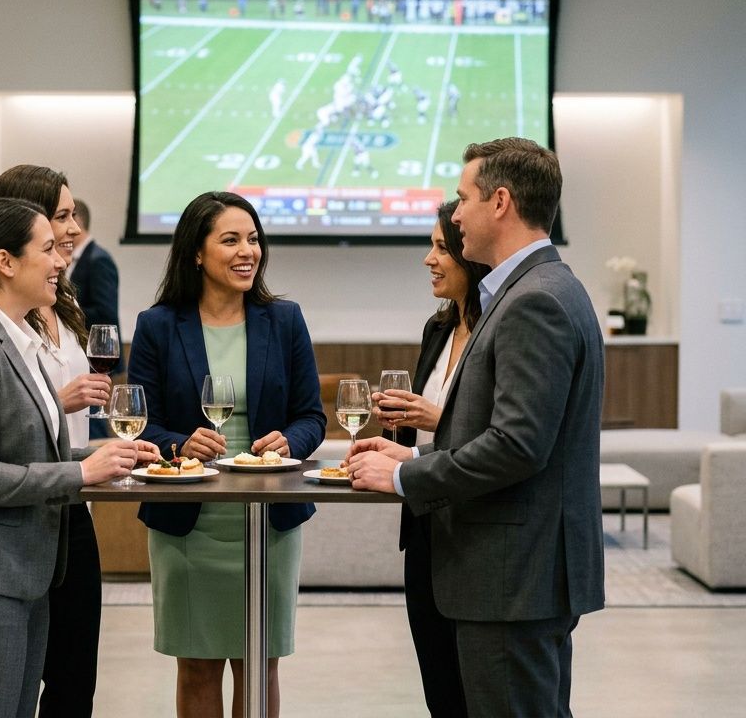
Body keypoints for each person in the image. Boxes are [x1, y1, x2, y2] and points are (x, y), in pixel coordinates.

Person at [346, 138, 605, 717]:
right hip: (514, 573)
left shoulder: (533, 301)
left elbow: (517, 445)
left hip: (512, 576)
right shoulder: (532, 289)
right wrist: (409, 461)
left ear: (501, 202)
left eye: (463, 198)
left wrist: (405, 475)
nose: (455, 213)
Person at [0, 197, 155, 718]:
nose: (61, 260)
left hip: (26, 573)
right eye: (47, 249)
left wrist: (107, 454)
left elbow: (35, 447)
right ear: (5, 261)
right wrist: (82, 471)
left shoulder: (20, 339)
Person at [128, 191, 326, 718]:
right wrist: (177, 445)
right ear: (196, 251)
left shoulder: (284, 320)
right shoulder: (158, 325)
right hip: (188, 525)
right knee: (195, 664)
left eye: (254, 239)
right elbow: (141, 421)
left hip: (268, 521)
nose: (248, 251)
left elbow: (312, 417)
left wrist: (291, 442)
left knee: (260, 663)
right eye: (231, 239)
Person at [0, 166, 115, 718]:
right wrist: (57, 402)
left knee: (74, 679)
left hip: (73, 505)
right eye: (61, 216)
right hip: (19, 513)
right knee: (9, 687)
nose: (72, 226)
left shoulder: (64, 301)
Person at [372, 200, 490, 717]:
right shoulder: (437, 328)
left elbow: (501, 438)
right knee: (441, 692)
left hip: (478, 533)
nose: (429, 259)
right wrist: (401, 440)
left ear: (472, 256)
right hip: (426, 528)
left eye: (442, 247)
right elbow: (437, 441)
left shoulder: (503, 327)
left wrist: (434, 416)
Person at [69, 197, 121, 372]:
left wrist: (65, 310)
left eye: (64, 218)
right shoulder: (73, 258)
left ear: (76, 221)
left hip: (99, 356)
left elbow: (106, 313)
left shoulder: (99, 260)